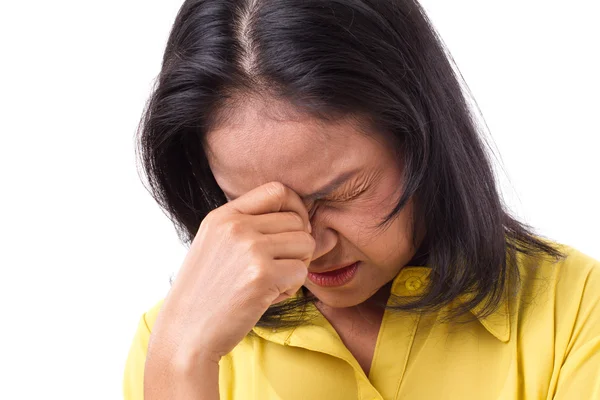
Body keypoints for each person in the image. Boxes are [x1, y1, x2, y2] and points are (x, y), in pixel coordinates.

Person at [123, 0, 600, 399]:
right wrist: (180, 364)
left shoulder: (576, 309)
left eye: (342, 193)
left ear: (421, 140)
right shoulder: (174, 338)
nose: (309, 246)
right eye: (251, 208)